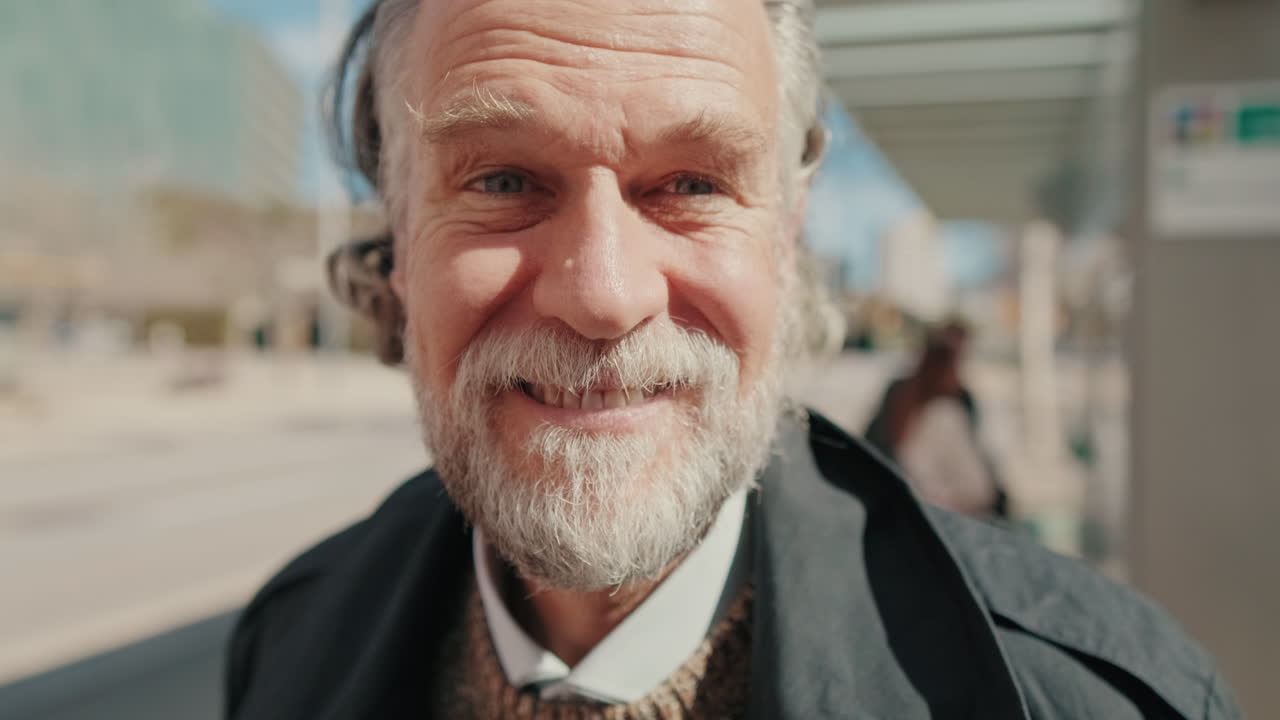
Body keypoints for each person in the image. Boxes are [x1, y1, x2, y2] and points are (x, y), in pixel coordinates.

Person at [224, 1, 1240, 718]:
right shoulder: (290, 638)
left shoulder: (1097, 698)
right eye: (499, 178)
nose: (603, 292)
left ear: (786, 235)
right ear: (396, 241)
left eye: (691, 184)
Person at [864, 321, 1008, 518]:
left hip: (906, 511)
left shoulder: (902, 398)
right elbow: (977, 487)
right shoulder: (946, 412)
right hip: (945, 517)